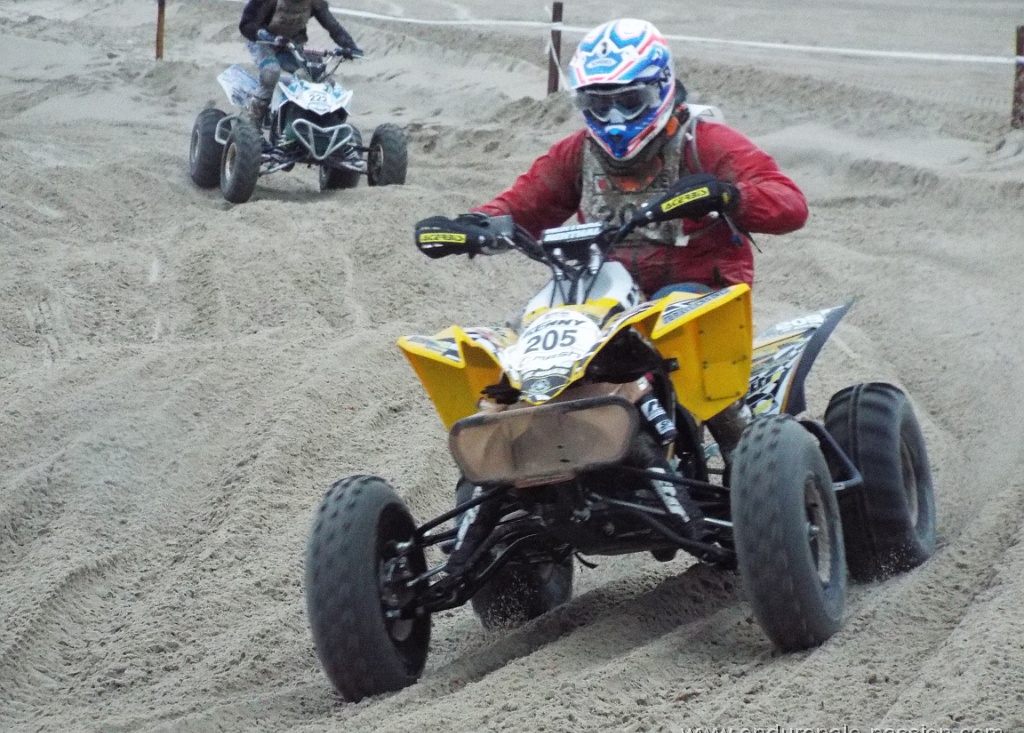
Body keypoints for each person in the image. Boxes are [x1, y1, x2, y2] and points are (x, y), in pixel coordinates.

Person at [416, 18, 809, 571]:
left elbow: (789, 203)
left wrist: (728, 194)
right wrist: (472, 225)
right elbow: (520, 205)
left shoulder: (705, 143)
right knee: (516, 354)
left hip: (696, 287)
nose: (616, 118)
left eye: (631, 100)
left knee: (680, 333)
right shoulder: (578, 154)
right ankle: (509, 482)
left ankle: (753, 467)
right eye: (601, 105)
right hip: (603, 294)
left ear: (663, 87)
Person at [238, 0, 362, 126]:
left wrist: (351, 47)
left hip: (292, 43)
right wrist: (269, 37)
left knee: (319, 76)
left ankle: (320, 122)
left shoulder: (315, 2)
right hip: (262, 42)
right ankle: (252, 121)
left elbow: (333, 27)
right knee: (271, 72)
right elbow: (246, 24)